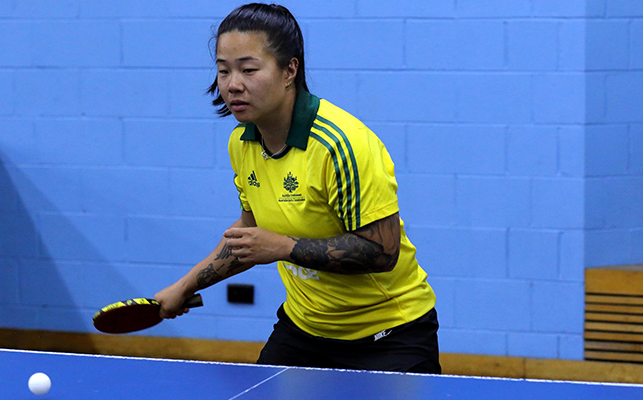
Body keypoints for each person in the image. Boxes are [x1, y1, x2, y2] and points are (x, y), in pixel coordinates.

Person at [153, 3, 440, 374]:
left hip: (389, 335)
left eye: (248, 69)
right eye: (223, 71)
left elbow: (382, 252)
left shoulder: (342, 144)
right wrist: (185, 284)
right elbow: (250, 237)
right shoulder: (242, 143)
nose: (232, 84)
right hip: (304, 331)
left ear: (290, 69)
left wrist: (285, 247)